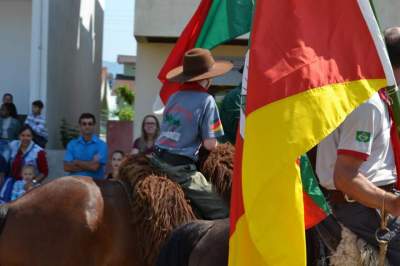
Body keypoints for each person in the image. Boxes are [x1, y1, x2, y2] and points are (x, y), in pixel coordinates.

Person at [316, 27, 400, 264]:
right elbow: (345, 176)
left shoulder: (383, 96)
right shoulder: (367, 105)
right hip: (360, 205)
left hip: (374, 198)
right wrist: (392, 203)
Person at [151, 48, 232, 220]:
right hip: (178, 168)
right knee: (223, 211)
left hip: (156, 158)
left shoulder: (173, 97)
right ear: (207, 79)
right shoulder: (206, 100)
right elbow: (210, 144)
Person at [64, 113, 108, 180]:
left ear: (94, 126)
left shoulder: (102, 145)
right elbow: (66, 167)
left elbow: (94, 167)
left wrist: (76, 162)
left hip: (94, 184)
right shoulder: (72, 144)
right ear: (80, 126)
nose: (87, 126)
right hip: (74, 183)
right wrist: (89, 164)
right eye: (84, 124)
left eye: (90, 124)